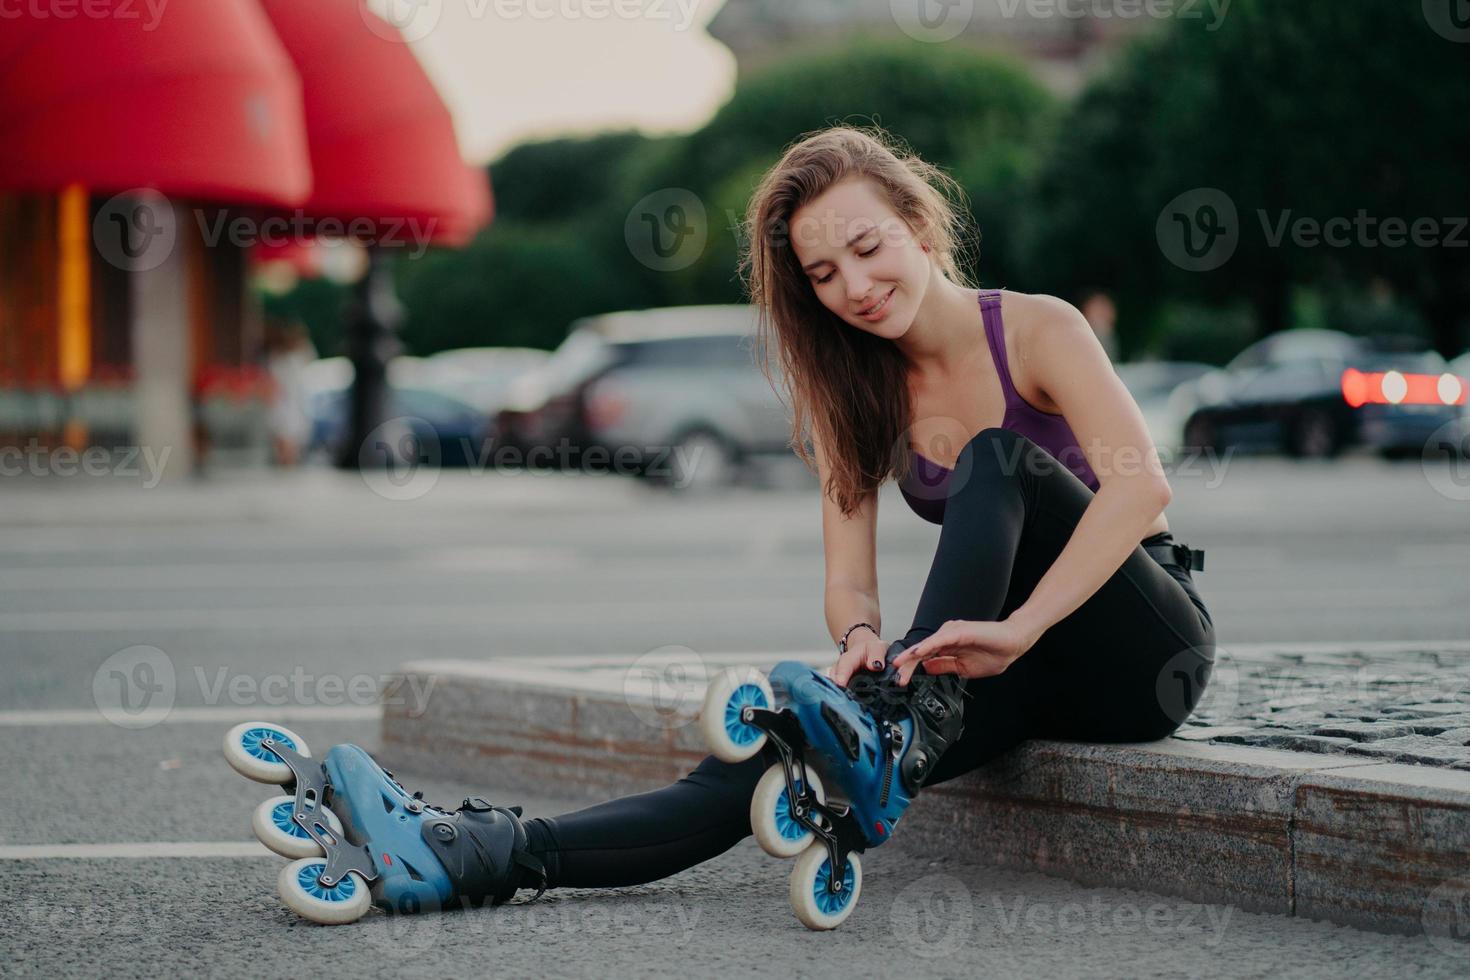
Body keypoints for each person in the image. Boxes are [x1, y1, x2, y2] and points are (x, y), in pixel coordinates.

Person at [331, 124, 1218, 910]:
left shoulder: (1037, 330)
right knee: (775, 749)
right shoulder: (855, 392)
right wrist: (865, 638)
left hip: (1139, 644)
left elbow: (1142, 490)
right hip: (995, 665)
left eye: (868, 248)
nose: (857, 287)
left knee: (992, 458)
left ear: (917, 221)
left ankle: (899, 724)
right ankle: (481, 853)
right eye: (825, 275)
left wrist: (1018, 627)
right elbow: (848, 579)